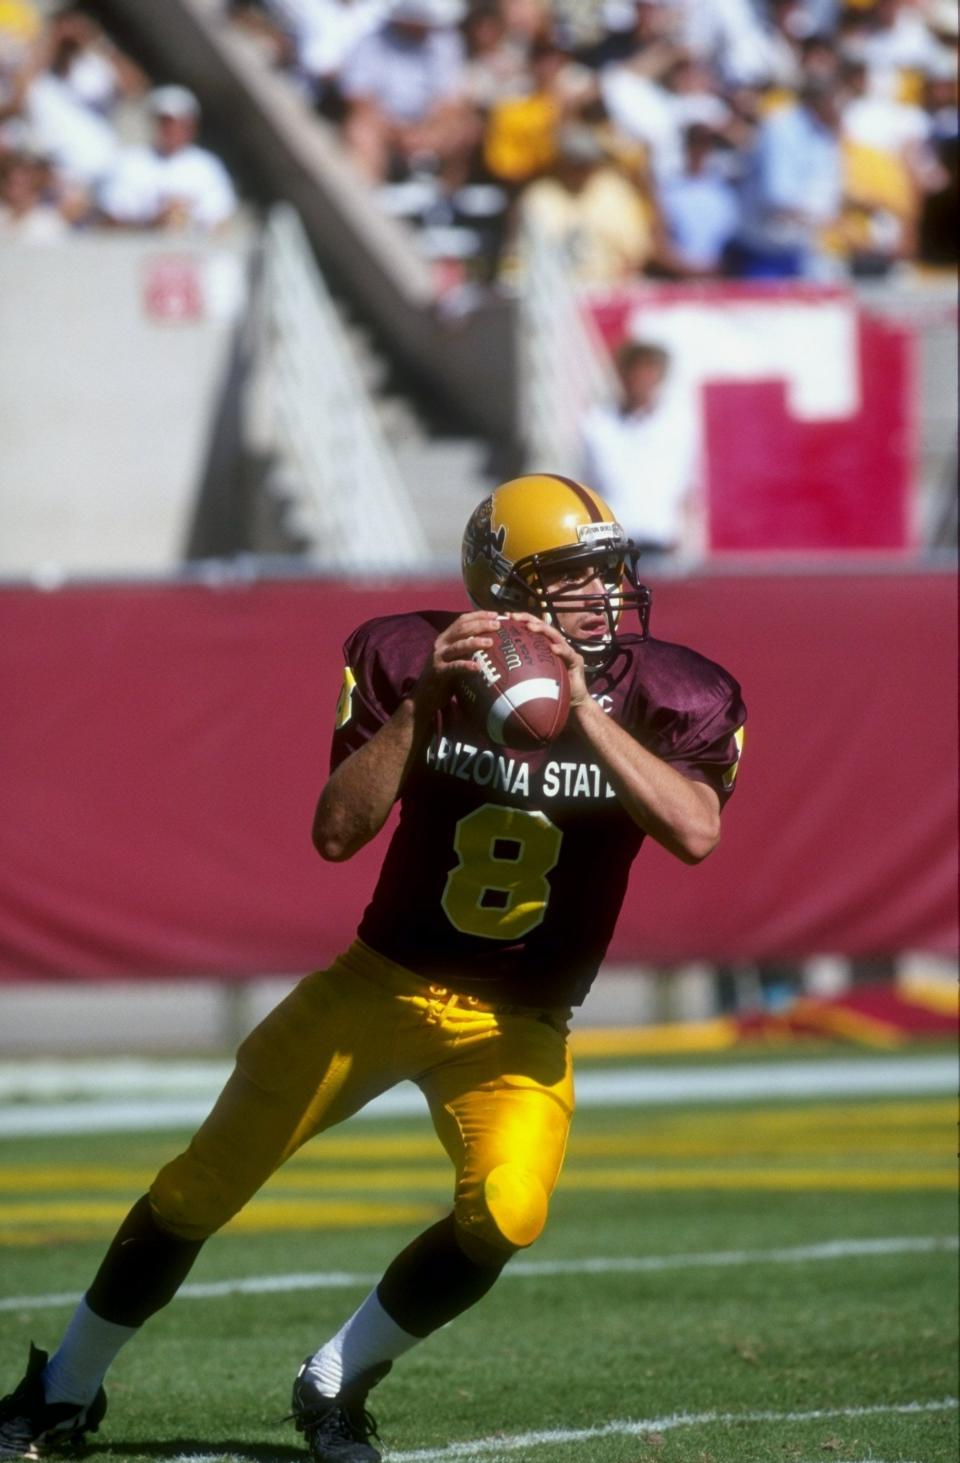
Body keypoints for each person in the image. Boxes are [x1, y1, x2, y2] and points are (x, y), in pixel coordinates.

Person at [0, 473, 746, 1463]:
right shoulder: (405, 655)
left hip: (522, 1021)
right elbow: (335, 832)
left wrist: (583, 712)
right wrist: (429, 700)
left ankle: (337, 1379)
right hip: (380, 983)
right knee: (196, 1189)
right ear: (504, 586)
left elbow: (696, 830)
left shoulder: (670, 689)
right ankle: (63, 1389)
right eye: (571, 577)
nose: (603, 594)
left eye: (608, 570)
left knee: (509, 1211)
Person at [580, 341, 701, 556]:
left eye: (648, 371)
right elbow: (587, 485)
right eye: (634, 371)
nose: (640, 379)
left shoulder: (679, 426)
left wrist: (685, 538)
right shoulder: (597, 424)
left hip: (660, 540)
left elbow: (686, 486)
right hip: (611, 542)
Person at [96, 83, 237, 233]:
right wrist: (155, 223)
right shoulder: (130, 162)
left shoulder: (207, 166)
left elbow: (221, 221)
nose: (171, 129)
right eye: (165, 122)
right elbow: (111, 220)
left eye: (178, 123)